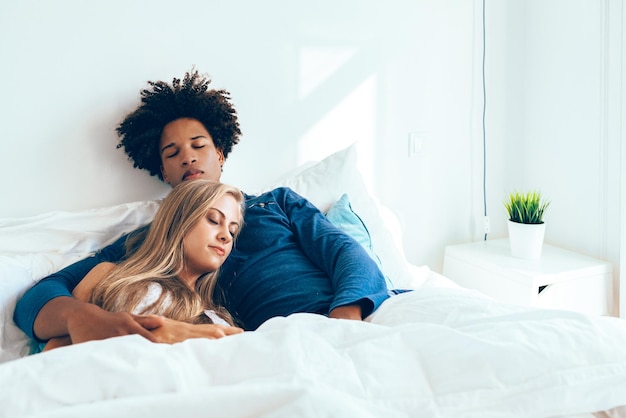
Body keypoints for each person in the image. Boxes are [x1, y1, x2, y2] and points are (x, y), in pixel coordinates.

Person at [13, 68, 391, 346]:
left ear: (220, 154)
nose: (188, 160)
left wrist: (345, 319)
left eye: (198, 146)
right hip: (274, 344)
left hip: (353, 317)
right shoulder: (150, 241)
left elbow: (345, 252)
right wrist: (85, 319)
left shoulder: (277, 203)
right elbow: (42, 295)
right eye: (172, 153)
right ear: (162, 169)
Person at [42, 179, 245, 351]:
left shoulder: (218, 317)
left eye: (233, 231)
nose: (226, 235)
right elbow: (55, 355)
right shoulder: (110, 277)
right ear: (179, 221)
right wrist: (156, 334)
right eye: (214, 220)